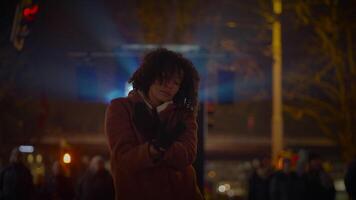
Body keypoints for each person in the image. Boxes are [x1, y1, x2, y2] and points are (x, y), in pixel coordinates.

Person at [105, 48, 203, 200]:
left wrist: (160, 144)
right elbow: (124, 160)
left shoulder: (183, 115)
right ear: (149, 76)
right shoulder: (121, 108)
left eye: (176, 82)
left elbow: (187, 156)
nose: (169, 85)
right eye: (164, 77)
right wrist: (155, 148)